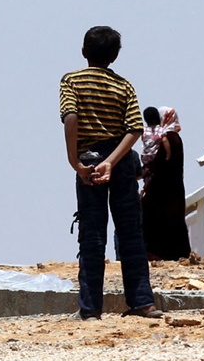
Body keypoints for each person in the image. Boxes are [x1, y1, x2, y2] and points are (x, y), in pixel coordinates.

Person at [59, 26, 160, 320]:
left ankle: (91, 308)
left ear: (83, 51)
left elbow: (71, 117)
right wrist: (113, 162)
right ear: (115, 56)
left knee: (91, 234)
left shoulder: (71, 81)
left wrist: (74, 162)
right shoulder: (124, 85)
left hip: (89, 159)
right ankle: (143, 302)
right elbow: (135, 129)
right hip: (122, 161)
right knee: (130, 233)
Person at [138, 106, 192, 261]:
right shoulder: (174, 137)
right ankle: (177, 253)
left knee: (153, 218)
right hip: (173, 188)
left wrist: (145, 171)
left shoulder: (169, 137)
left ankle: (157, 254)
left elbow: (160, 161)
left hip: (162, 188)